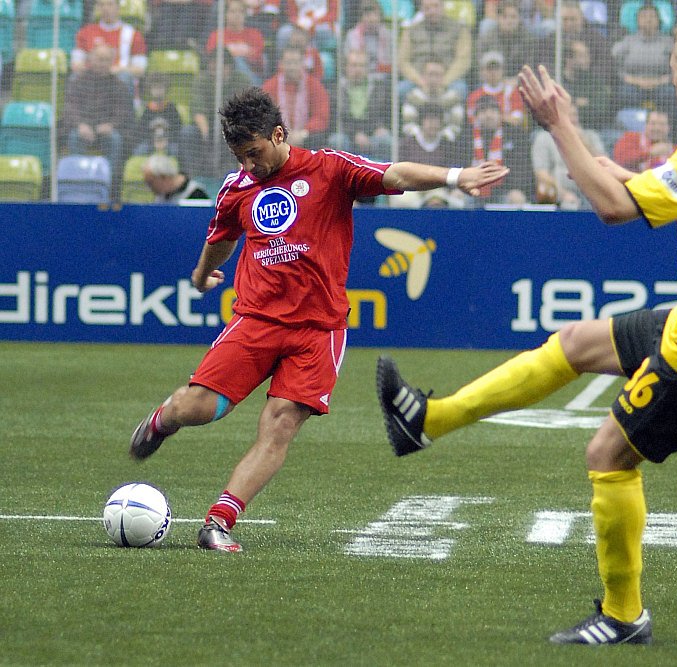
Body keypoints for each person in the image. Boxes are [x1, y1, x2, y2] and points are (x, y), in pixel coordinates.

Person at [376, 20, 677, 645]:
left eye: (673, 68)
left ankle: (623, 617)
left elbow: (615, 208)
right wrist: (615, 168)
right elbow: (673, 186)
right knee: (575, 344)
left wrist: (560, 125)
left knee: (608, 457)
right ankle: (427, 422)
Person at [128, 86, 509, 552]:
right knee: (199, 408)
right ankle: (162, 421)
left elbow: (394, 173)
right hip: (255, 320)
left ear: (279, 134)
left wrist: (456, 176)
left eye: (254, 153)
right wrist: (201, 273)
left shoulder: (330, 169)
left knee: (280, 424)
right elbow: (222, 237)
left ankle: (218, 522)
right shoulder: (237, 187)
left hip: (318, 331)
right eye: (239, 157)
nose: (248, 165)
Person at [63, 44, 134, 192]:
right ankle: (77, 185)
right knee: (74, 137)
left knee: (115, 139)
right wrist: (80, 125)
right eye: (100, 59)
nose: (103, 64)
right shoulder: (78, 81)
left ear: (111, 62)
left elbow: (123, 111)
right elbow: (70, 107)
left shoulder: (118, 85)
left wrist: (111, 125)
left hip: (106, 131)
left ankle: (108, 188)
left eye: (106, 60)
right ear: (91, 60)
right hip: (83, 129)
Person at [180, 49, 252, 175]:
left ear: (229, 67)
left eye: (219, 65)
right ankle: (193, 175)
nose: (214, 69)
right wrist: (206, 137)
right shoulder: (202, 80)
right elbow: (198, 110)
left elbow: (246, 111)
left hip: (232, 127)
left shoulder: (241, 81)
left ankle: (239, 175)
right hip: (207, 127)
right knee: (188, 132)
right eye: (212, 64)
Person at [532, 100, 606, 208]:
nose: (573, 119)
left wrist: (582, 140)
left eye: (575, 115)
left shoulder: (591, 136)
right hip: (558, 194)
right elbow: (541, 174)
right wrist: (563, 194)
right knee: (568, 204)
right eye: (568, 115)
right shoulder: (544, 138)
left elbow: (604, 166)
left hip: (590, 192)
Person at [397, 0, 472, 102]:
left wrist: (444, 81)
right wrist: (420, 81)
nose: (432, 11)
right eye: (427, 8)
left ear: (443, 7)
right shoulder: (410, 31)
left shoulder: (459, 30)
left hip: (449, 79)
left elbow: (463, 60)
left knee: (460, 89)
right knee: (401, 90)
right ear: (421, 10)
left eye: (436, 6)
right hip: (418, 79)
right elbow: (403, 61)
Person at [467, 94, 534, 206]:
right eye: (483, 111)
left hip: (505, 190)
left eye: (493, 110)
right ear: (476, 116)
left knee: (517, 199)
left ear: (500, 114)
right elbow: (458, 165)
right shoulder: (466, 136)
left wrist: (517, 189)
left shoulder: (515, 134)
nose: (488, 115)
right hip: (472, 190)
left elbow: (523, 167)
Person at [327, 49, 392, 162]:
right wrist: (355, 134)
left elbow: (385, 114)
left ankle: (383, 171)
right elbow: (336, 120)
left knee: (387, 140)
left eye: (361, 66)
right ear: (346, 67)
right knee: (336, 140)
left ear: (367, 68)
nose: (357, 69)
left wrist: (378, 129)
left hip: (373, 133)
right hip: (347, 134)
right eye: (354, 65)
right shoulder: (336, 90)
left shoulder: (380, 88)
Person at [611, 4, 675, 117]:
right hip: (632, 84)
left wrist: (660, 81)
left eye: (652, 16)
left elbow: (676, 68)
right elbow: (615, 65)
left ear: (658, 20)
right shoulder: (628, 41)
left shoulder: (668, 42)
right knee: (625, 93)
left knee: (669, 94)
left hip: (661, 84)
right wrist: (634, 80)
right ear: (637, 20)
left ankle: (665, 124)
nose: (648, 20)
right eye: (644, 16)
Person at [263, 46, 331, 150]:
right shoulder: (270, 87)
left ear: (302, 63)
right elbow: (264, 117)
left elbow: (321, 117)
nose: (292, 67)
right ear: (281, 64)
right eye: (288, 63)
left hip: (307, 139)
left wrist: (302, 133)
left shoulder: (314, 86)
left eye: (295, 62)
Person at [71, 0, 148, 89]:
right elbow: (76, 64)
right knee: (75, 77)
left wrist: (118, 69)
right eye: (101, 5)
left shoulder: (133, 34)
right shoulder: (86, 32)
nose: (105, 8)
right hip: (92, 78)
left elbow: (140, 69)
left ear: (118, 7)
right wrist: (95, 69)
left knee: (124, 77)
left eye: (110, 4)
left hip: (117, 80)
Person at [401, 59, 465, 143]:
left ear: (444, 77)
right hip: (417, 144)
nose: (434, 79)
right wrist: (423, 139)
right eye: (430, 74)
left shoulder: (453, 98)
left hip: (445, 144)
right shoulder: (413, 97)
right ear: (423, 76)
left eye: (438, 75)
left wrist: (438, 140)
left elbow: (455, 127)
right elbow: (409, 125)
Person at [476, 0, 539, 84]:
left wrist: (516, 81)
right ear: (498, 18)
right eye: (505, 17)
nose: (509, 21)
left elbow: (531, 68)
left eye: (513, 17)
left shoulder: (528, 39)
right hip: (493, 83)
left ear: (519, 18)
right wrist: (498, 81)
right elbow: (480, 67)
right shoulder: (487, 37)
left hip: (519, 84)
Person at [206, 0, 267, 86]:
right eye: (233, 11)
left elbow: (260, 60)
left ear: (245, 15)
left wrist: (238, 53)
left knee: (239, 60)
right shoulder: (216, 36)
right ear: (225, 14)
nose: (237, 15)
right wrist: (238, 53)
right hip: (223, 79)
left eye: (241, 11)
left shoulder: (255, 34)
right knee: (236, 60)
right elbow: (212, 58)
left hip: (252, 76)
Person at [466, 51, 525, 128]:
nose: (493, 72)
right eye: (489, 68)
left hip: (506, 132)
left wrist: (492, 118)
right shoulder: (474, 96)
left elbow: (517, 119)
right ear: (482, 71)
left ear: (503, 70)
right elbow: (472, 121)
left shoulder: (512, 92)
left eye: (496, 68)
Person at [343, 0, 393, 77]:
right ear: (361, 17)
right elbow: (350, 63)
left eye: (375, 14)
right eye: (367, 15)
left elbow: (390, 61)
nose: (372, 19)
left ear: (380, 16)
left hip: (383, 76)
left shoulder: (387, 35)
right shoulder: (352, 35)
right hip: (360, 76)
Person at [141, 154, 210, 203]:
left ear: (164, 177)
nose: (150, 188)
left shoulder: (197, 194)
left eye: (151, 183)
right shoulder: (160, 197)